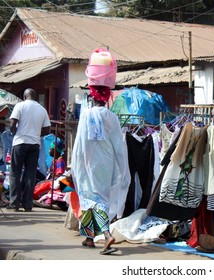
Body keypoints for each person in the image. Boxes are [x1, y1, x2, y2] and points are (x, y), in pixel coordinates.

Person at [71, 49, 130, 255]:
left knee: (93, 199)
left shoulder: (86, 115)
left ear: (92, 94)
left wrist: (75, 164)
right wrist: (121, 169)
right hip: (105, 164)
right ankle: (88, 237)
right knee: (93, 198)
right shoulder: (112, 118)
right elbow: (119, 147)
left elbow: (78, 144)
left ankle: (106, 235)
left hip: (88, 163)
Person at [7, 88, 51, 212]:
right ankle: (27, 204)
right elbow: (47, 129)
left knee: (15, 173)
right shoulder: (42, 109)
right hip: (34, 144)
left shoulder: (20, 106)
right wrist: (36, 135)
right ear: (35, 96)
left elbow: (12, 124)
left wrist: (16, 134)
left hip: (20, 143)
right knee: (30, 174)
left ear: (25, 96)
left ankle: (14, 204)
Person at [33, 138, 66, 207]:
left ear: (55, 151)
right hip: (49, 178)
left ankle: (32, 195)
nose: (49, 150)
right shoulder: (54, 160)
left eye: (51, 149)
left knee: (40, 185)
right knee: (34, 173)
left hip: (54, 181)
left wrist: (48, 180)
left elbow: (59, 176)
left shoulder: (60, 162)